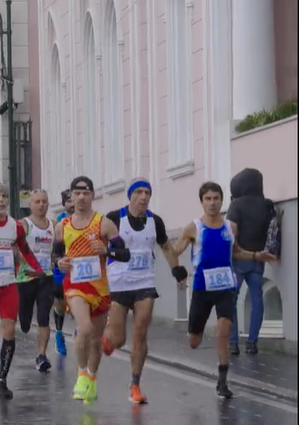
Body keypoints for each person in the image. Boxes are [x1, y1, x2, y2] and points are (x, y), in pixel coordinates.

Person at [168, 181, 276, 399]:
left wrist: (256, 256)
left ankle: (222, 381)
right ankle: (194, 333)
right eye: (207, 199)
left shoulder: (230, 227)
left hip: (226, 285)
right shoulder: (193, 227)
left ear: (222, 201)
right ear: (202, 202)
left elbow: (235, 252)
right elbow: (175, 251)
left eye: (216, 198)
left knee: (224, 328)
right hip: (202, 288)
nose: (212, 203)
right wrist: (167, 252)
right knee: (194, 342)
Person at [101, 178, 181, 404]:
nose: (144, 197)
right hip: (118, 284)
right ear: (131, 196)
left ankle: (135, 385)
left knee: (140, 332)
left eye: (147, 192)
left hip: (144, 283)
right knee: (118, 340)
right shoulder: (115, 218)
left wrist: (177, 271)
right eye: (139, 192)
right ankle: (107, 339)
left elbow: (166, 247)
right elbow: (97, 245)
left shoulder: (155, 221)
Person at [52, 176, 128, 403]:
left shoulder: (104, 223)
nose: (81, 197)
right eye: (77, 193)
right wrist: (59, 263)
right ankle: (82, 375)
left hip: (100, 289)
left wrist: (106, 251)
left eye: (86, 193)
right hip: (75, 285)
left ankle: (92, 380)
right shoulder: (62, 226)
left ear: (92, 195)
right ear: (71, 197)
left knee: (95, 340)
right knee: (83, 328)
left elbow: (125, 254)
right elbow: (54, 256)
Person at [0, 184, 46, 399]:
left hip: (7, 286)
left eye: (5, 196)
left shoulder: (15, 226)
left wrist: (39, 270)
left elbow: (25, 249)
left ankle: (2, 381)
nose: (2, 200)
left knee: (9, 331)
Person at [226, 168, 279, 355]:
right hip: (259, 259)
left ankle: (233, 343)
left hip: (239, 257)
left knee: (230, 300)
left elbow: (231, 231)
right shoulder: (267, 205)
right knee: (257, 298)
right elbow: (273, 229)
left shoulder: (236, 205)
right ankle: (252, 342)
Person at [16, 189, 58, 372]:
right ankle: (24, 322)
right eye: (37, 202)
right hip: (26, 278)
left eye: (44, 201)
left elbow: (59, 249)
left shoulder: (54, 226)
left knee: (43, 317)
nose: (41, 205)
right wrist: (21, 256)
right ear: (31, 205)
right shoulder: (24, 224)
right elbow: (14, 246)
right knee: (24, 320)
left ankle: (41, 355)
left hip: (46, 277)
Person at [52, 189, 75, 356]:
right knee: (60, 306)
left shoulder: (89, 219)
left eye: (73, 200)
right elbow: (54, 249)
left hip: (80, 270)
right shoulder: (59, 223)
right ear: (64, 204)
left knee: (79, 302)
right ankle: (59, 333)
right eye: (69, 201)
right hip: (62, 269)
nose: (72, 204)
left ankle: (79, 332)